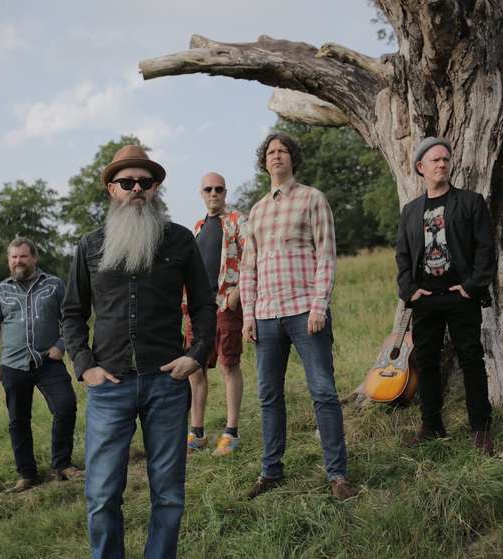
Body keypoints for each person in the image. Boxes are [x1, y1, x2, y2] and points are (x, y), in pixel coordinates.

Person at [62, 145, 216, 559]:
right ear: (112, 189)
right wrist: (84, 367)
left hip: (166, 383)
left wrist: (196, 354)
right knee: (101, 495)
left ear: (156, 188)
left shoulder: (180, 239)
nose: (136, 189)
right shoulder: (90, 246)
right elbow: (73, 313)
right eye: (127, 182)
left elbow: (204, 305)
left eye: (145, 182)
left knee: (168, 495)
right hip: (109, 386)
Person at [240, 132, 357, 500]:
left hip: (306, 312)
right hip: (266, 316)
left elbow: (326, 254)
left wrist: (319, 304)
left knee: (322, 392)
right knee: (268, 395)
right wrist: (248, 315)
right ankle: (271, 471)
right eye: (271, 152)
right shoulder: (256, 212)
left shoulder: (312, 199)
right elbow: (248, 268)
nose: (276, 156)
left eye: (283, 151)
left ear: (293, 158)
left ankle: (337, 475)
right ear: (264, 162)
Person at [395, 137, 496, 454]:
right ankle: (432, 425)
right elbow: (402, 256)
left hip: (461, 297)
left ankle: (480, 428)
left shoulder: (470, 202)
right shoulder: (411, 211)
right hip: (425, 299)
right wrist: (410, 291)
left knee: (471, 360)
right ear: (420, 167)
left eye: (446, 159)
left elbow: (486, 250)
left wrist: (472, 286)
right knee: (426, 362)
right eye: (435, 160)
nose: (442, 164)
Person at [0, 237, 80, 493]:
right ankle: (27, 474)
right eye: (14, 257)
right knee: (18, 421)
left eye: (23, 256)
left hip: (49, 361)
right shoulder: (0, 292)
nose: (18, 261)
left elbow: (71, 319)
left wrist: (61, 345)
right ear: (8, 261)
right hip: (13, 365)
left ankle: (62, 465)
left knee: (66, 406)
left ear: (34, 258)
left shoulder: (54, 285)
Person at [185, 172, 246, 457]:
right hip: (198, 309)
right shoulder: (197, 227)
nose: (214, 194)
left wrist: (239, 290)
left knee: (228, 365)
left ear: (225, 192)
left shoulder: (237, 221)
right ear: (201, 192)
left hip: (225, 304)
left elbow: (254, 253)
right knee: (195, 368)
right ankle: (196, 433)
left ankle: (231, 432)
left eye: (219, 189)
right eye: (208, 189)